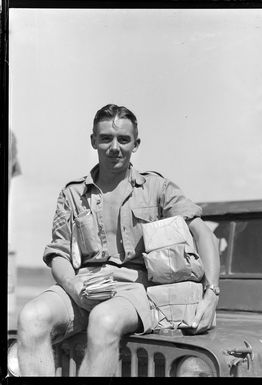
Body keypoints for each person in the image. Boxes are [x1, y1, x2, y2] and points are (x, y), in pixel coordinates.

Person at [17, 104, 220, 377]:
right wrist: (74, 285)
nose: (115, 147)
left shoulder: (156, 188)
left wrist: (211, 294)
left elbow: (202, 232)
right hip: (83, 287)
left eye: (123, 140)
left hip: (135, 291)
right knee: (31, 318)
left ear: (136, 144)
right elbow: (58, 253)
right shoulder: (73, 194)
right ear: (93, 141)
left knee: (104, 320)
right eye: (106, 138)